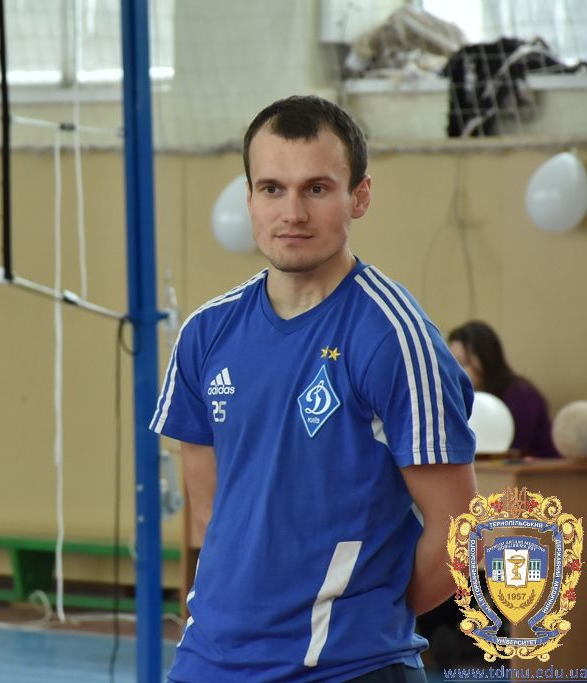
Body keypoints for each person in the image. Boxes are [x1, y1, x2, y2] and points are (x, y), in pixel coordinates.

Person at [151, 95, 477, 682]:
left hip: (347, 669)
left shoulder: (395, 338)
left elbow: (459, 532)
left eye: (317, 189)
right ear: (249, 198)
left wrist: (364, 616)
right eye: (272, 189)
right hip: (207, 663)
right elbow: (211, 519)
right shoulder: (205, 334)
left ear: (360, 196)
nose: (292, 213)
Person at [448, 320, 561, 458]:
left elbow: (513, 450)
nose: (456, 372)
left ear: (487, 359)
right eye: (452, 364)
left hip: (540, 468)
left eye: (463, 363)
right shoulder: (460, 399)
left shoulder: (521, 396)